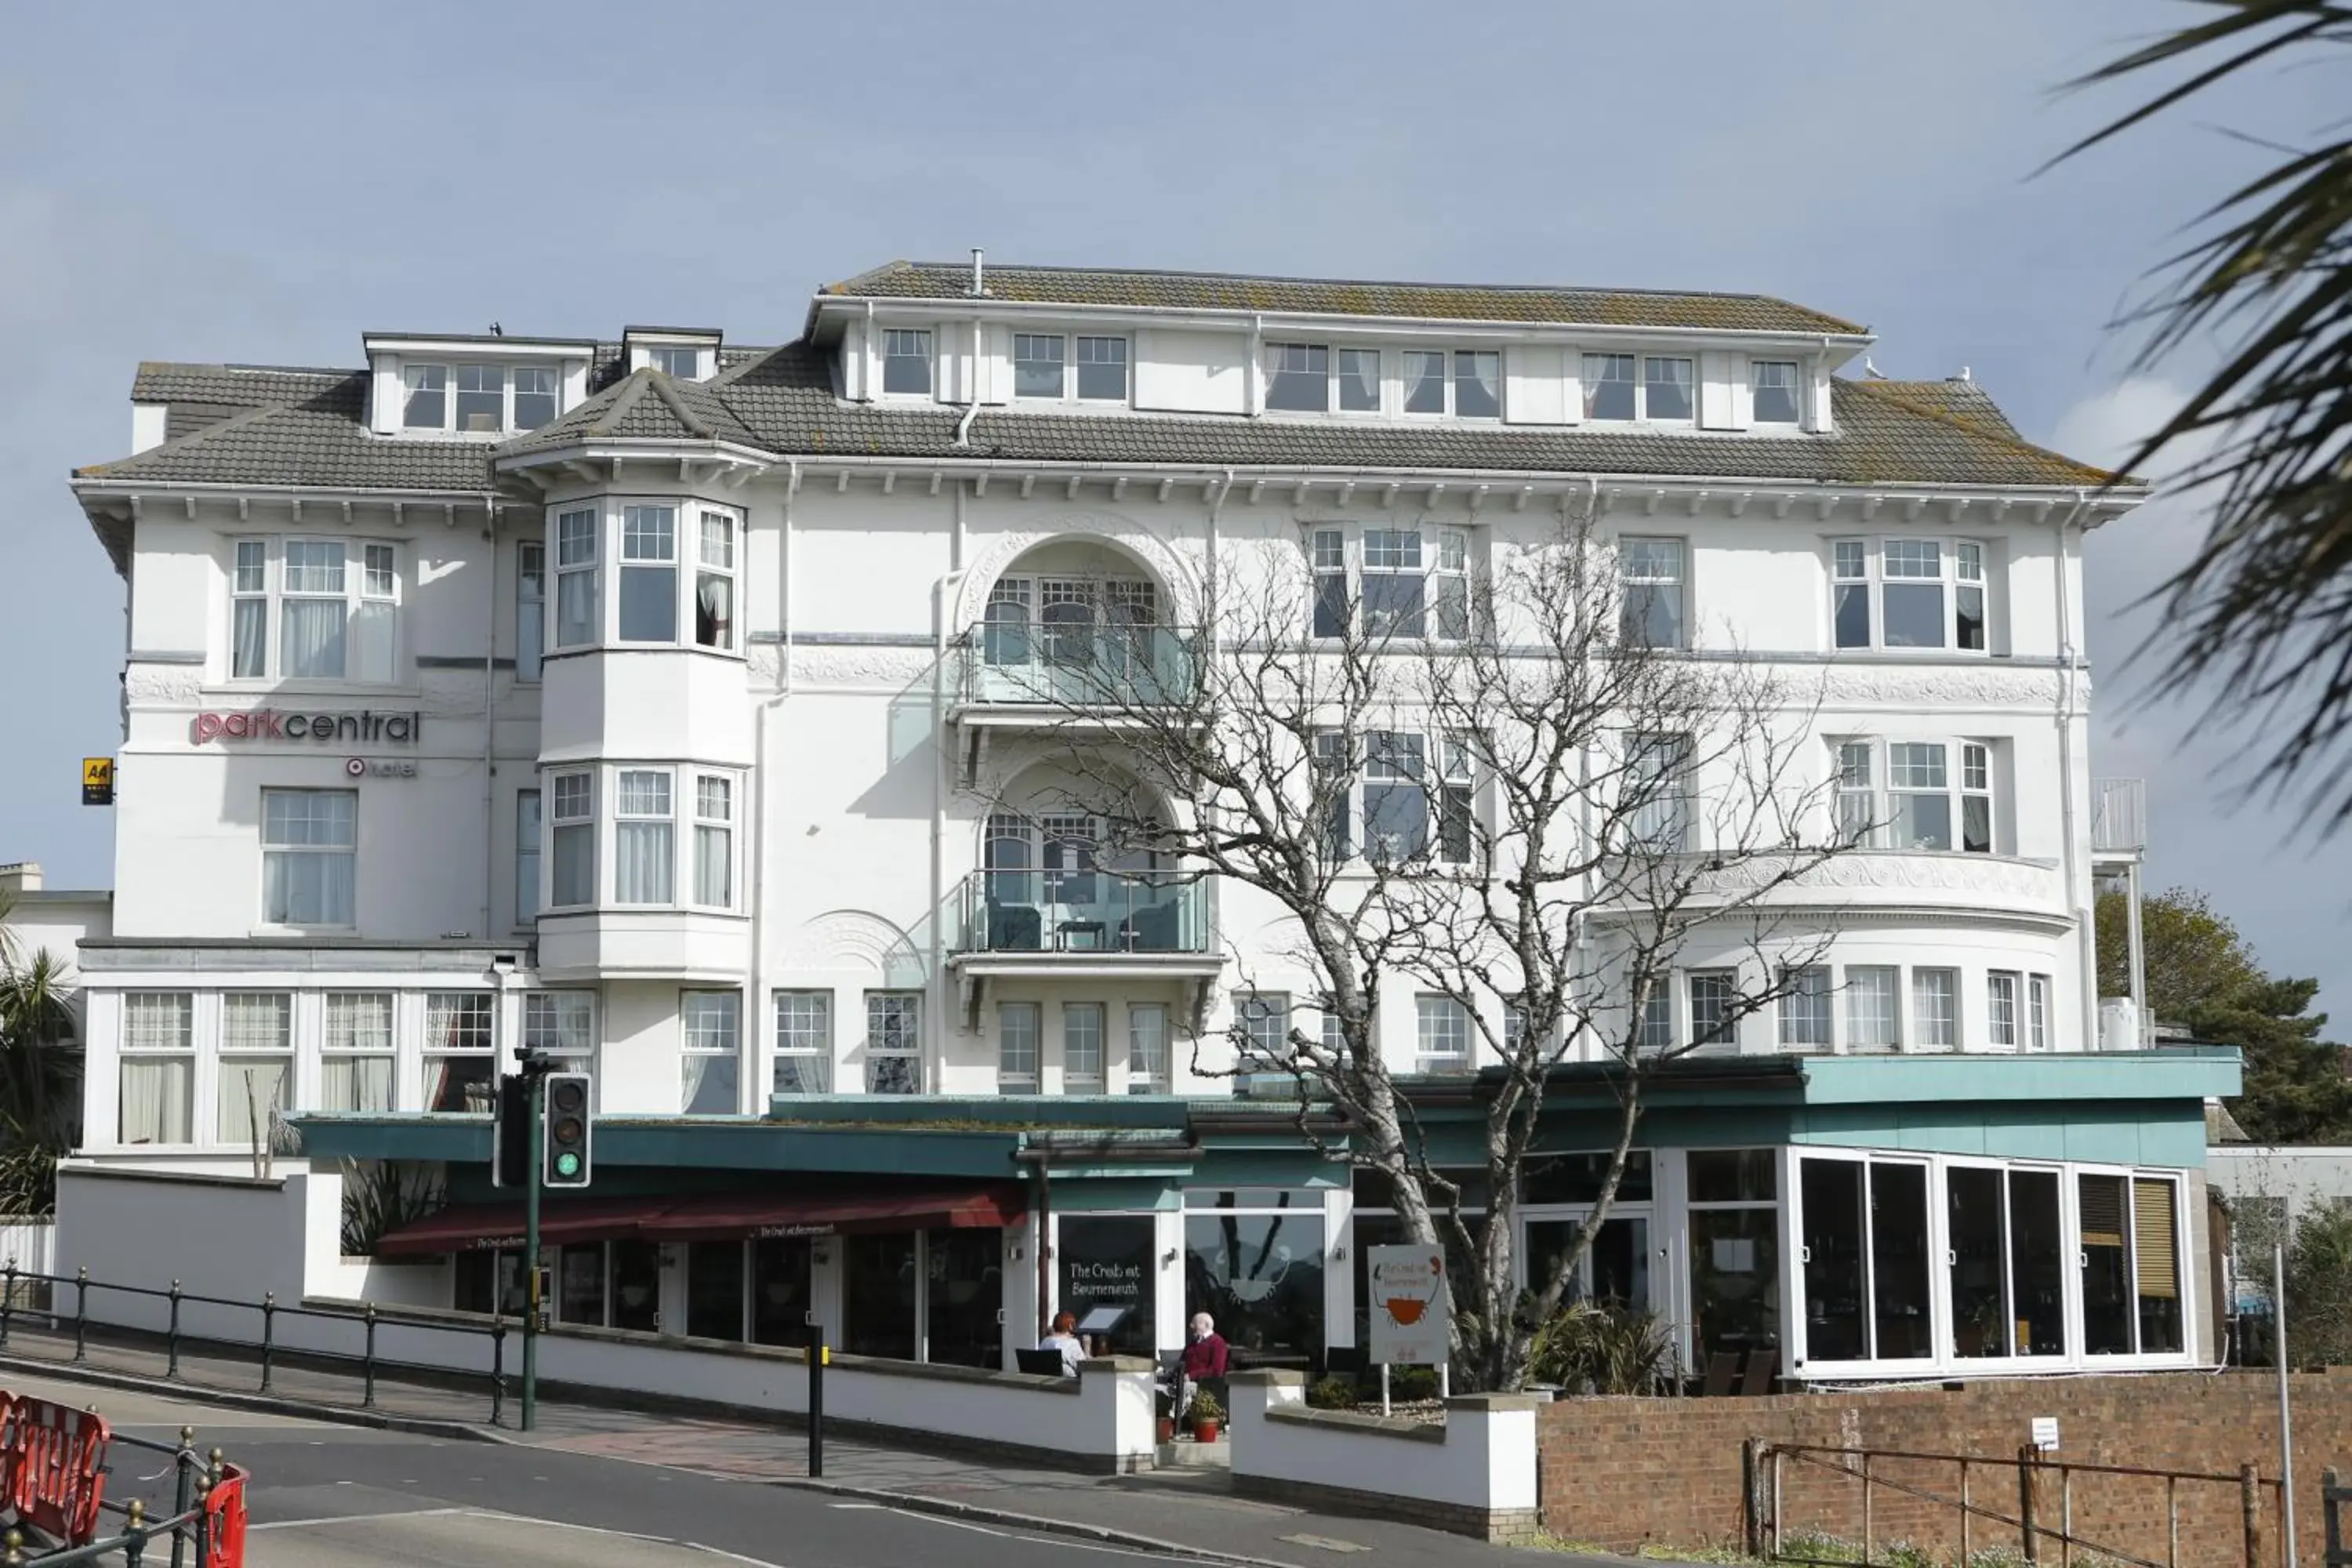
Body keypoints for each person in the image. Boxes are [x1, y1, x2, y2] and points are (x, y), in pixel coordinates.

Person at [1174, 1311, 1229, 1427]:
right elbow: (1182, 1362)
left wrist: (1192, 1375)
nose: (1191, 1326)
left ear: (1207, 1326)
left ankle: (1174, 1422)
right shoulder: (1192, 1344)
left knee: (1183, 1390)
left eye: (1195, 1323)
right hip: (1185, 1381)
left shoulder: (1217, 1342)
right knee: (1163, 1389)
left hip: (1205, 1384)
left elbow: (1216, 1370)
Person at [1039, 1311, 1085, 1377]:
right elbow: (1083, 1366)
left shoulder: (1045, 1341)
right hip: (1069, 1382)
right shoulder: (1072, 1342)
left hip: (1047, 1380)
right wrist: (1087, 1347)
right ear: (1070, 1326)